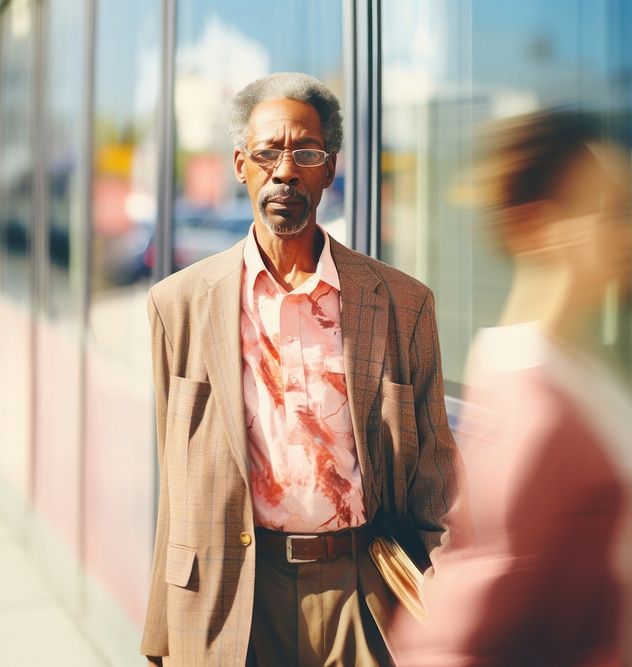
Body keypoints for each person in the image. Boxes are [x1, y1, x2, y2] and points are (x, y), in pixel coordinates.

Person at [140, 72, 462, 666]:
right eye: (267, 152)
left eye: (306, 153)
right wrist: (161, 636)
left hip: (362, 591)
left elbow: (435, 477)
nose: (285, 170)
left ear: (330, 168)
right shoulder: (178, 305)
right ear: (241, 164)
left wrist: (448, 607)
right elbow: (176, 481)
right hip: (232, 592)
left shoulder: (401, 303)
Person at [392, 110, 632, 666]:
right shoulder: (539, 409)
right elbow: (480, 632)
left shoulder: (556, 367)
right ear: (540, 228)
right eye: (613, 211)